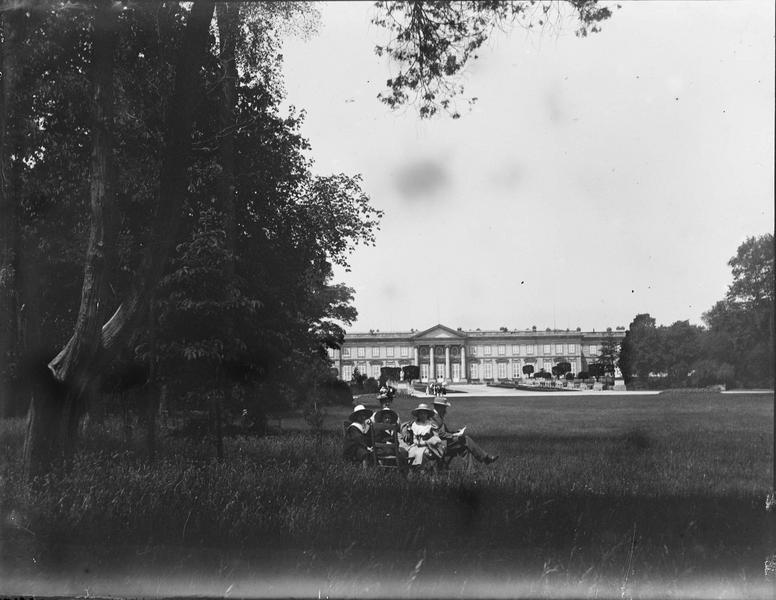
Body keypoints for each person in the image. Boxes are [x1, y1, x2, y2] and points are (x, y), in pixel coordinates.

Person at [432, 397, 498, 464]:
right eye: (444, 407)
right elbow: (439, 434)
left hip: (443, 443)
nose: (445, 411)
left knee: (465, 448)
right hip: (439, 445)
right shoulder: (433, 417)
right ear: (439, 407)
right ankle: (485, 458)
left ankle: (471, 473)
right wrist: (453, 435)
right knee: (466, 439)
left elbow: (444, 432)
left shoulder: (437, 416)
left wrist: (456, 432)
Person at [406, 402, 444, 467]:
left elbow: (436, 438)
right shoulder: (415, 424)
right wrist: (416, 441)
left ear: (427, 414)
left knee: (422, 452)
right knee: (411, 452)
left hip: (429, 446)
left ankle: (422, 469)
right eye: (421, 413)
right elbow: (414, 437)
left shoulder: (431, 425)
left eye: (424, 413)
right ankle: (413, 469)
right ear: (418, 415)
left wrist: (426, 442)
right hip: (416, 445)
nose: (422, 415)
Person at [372, 407, 409, 471]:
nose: (387, 420)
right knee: (396, 453)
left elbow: (397, 442)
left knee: (403, 454)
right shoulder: (378, 429)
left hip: (392, 449)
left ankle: (402, 471)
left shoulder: (392, 429)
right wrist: (386, 443)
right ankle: (390, 470)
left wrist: (393, 444)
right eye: (385, 418)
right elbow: (377, 440)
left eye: (389, 418)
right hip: (381, 450)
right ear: (382, 419)